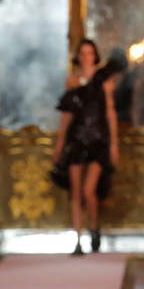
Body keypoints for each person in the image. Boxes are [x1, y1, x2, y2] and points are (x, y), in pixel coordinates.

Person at [52, 39, 120, 255]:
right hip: (76, 139)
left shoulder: (104, 79)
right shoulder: (72, 81)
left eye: (89, 53)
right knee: (76, 192)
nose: (86, 57)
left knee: (89, 190)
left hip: (98, 139)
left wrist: (114, 143)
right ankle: (78, 239)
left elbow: (110, 112)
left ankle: (94, 228)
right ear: (78, 56)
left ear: (95, 55)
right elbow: (67, 114)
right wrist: (60, 143)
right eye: (82, 53)